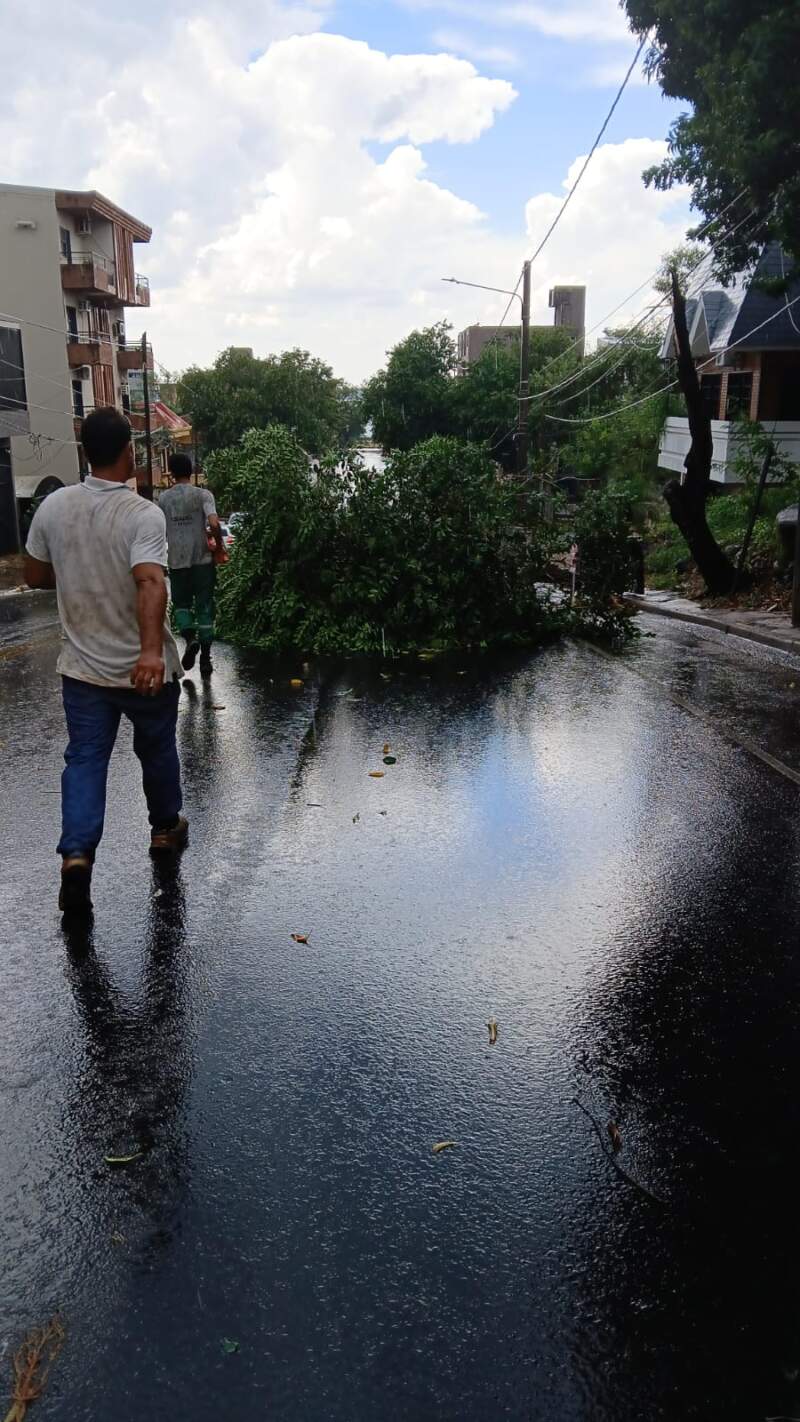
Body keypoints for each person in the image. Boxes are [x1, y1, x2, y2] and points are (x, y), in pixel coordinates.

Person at [24, 407, 188, 918]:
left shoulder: (53, 508)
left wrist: (77, 573)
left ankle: (76, 856)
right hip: (142, 670)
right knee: (156, 749)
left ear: (84, 453)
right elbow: (149, 580)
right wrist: (146, 653)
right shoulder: (141, 513)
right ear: (130, 453)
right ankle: (164, 830)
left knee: (85, 761)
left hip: (82, 671)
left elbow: (35, 575)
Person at [158, 453, 223, 677]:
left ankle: (190, 638)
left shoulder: (164, 500)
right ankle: (205, 658)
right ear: (192, 471)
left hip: (177, 562)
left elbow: (159, 531)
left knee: (181, 605)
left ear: (172, 473)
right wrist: (219, 545)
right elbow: (214, 522)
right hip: (202, 561)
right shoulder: (203, 495)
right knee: (205, 607)